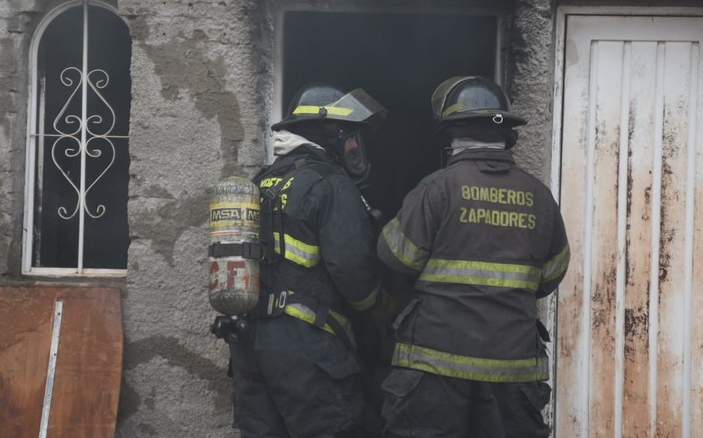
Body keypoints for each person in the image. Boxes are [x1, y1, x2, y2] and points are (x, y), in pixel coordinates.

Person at [376, 76, 570, 437]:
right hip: (512, 367)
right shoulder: (540, 196)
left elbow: (398, 258)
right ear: (508, 135)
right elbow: (551, 273)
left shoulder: (437, 188)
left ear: (449, 134)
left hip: (435, 363)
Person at [229, 83, 396, 438]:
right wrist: (382, 308)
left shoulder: (263, 180)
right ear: (331, 134)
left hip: (248, 344)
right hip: (307, 348)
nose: (355, 147)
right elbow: (352, 272)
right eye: (351, 138)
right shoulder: (329, 182)